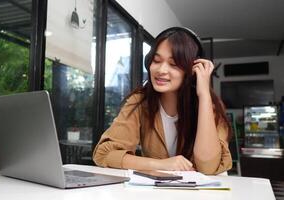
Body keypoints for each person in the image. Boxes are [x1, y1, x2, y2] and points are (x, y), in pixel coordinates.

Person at [93, 27, 232, 175]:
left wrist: (204, 94)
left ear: (192, 70)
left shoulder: (210, 106)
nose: (161, 70)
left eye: (173, 64)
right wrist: (162, 164)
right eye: (156, 60)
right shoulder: (140, 101)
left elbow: (208, 168)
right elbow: (104, 154)